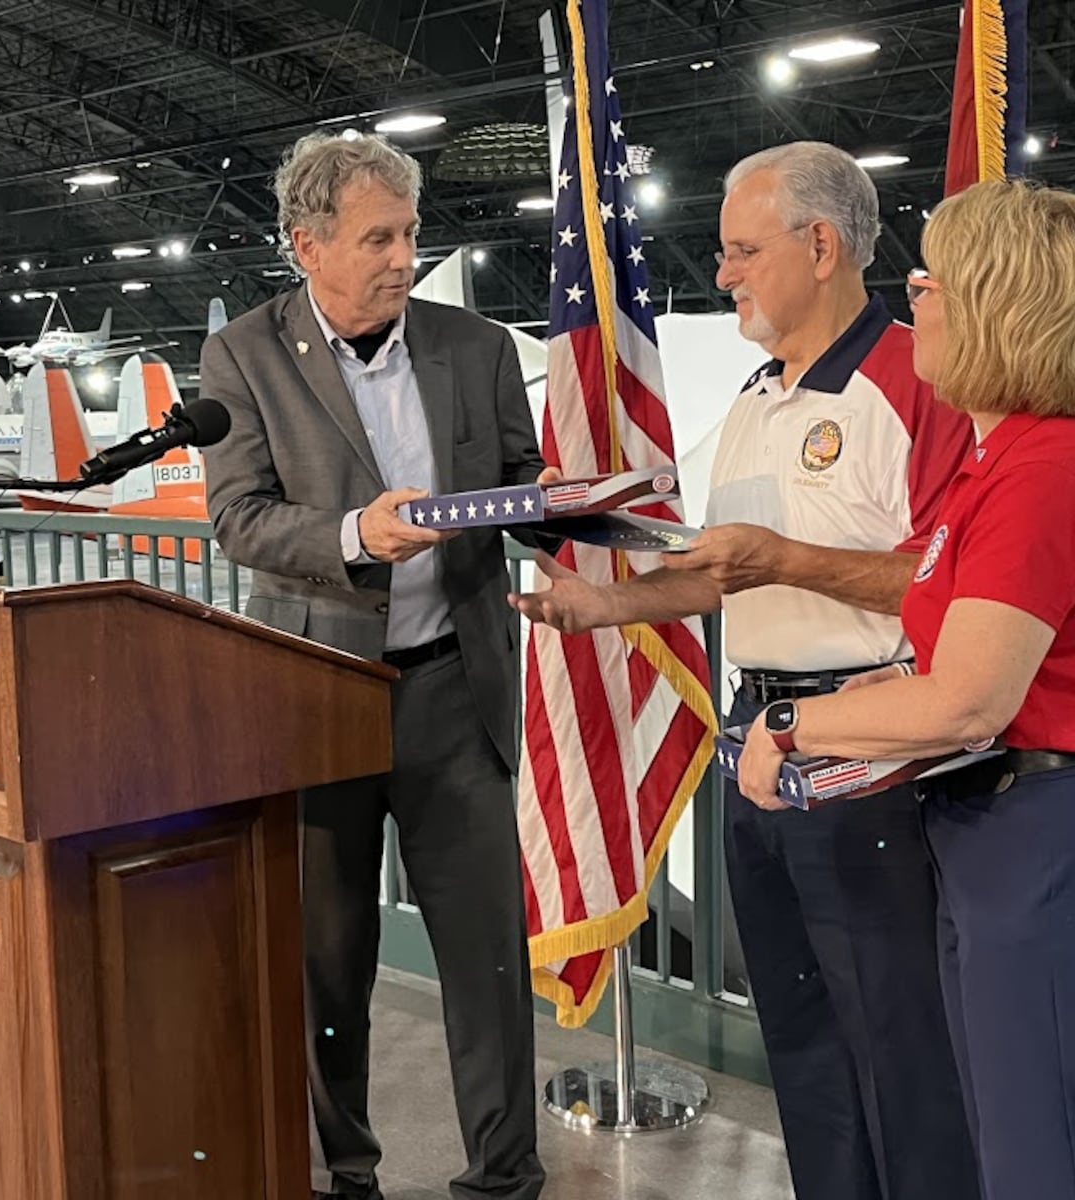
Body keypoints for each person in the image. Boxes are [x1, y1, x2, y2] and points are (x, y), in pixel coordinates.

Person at [510, 141, 978, 1200]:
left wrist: (783, 560)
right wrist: (608, 602)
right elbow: (730, 576)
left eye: (740, 251)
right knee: (803, 1043)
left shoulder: (917, 383)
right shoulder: (760, 397)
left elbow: (949, 583)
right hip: (757, 746)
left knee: (901, 1051)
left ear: (820, 246)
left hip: (868, 752)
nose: (723, 274)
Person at [732, 179, 1075, 1199]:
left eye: (930, 281)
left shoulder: (1045, 468)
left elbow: (966, 698)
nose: (913, 298)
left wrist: (794, 724)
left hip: (1052, 833)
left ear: (996, 306)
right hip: (998, 827)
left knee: (1044, 1163)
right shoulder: (998, 463)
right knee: (1010, 1145)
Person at [200, 131, 548, 1200]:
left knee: (487, 965)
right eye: (377, 238)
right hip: (320, 697)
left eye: (409, 234)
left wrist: (580, 511)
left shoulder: (476, 346)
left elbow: (523, 477)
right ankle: (343, 1175)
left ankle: (503, 1177)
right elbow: (239, 518)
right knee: (327, 966)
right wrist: (357, 533)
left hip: (456, 689)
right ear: (306, 246)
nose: (403, 258)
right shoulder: (243, 355)